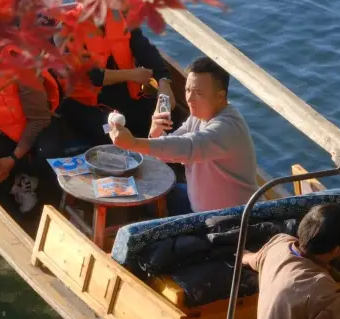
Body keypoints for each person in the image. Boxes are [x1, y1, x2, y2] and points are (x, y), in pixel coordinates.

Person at [106, 56, 258, 214]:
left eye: (198, 93)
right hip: (197, 205)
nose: (190, 99)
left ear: (220, 96)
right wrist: (155, 131)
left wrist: (133, 143)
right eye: (187, 90)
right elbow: (167, 151)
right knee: (147, 195)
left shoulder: (227, 128)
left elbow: (187, 146)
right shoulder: (199, 115)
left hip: (228, 220)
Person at [58, 4, 174, 146]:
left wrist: (164, 81)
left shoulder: (122, 17)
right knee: (110, 136)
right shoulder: (67, 28)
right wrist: (132, 75)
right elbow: (91, 76)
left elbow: (146, 51)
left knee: (166, 123)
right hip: (87, 106)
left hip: (127, 100)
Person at [0, 68, 64, 214]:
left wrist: (13, 158)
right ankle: (14, 184)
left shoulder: (25, 70)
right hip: (3, 128)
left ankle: (28, 185)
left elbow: (39, 120)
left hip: (34, 133)